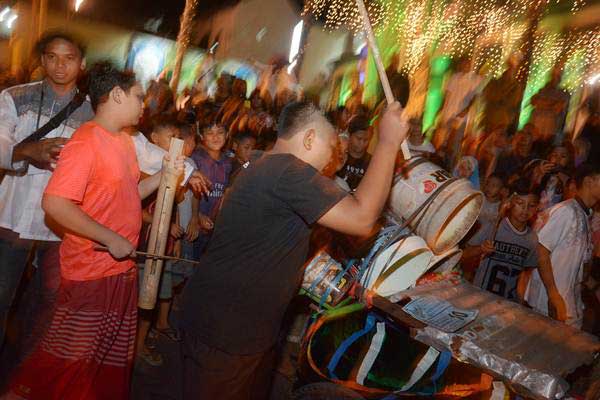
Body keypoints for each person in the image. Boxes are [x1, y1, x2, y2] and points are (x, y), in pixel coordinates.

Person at [179, 100, 407, 399]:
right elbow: (362, 218)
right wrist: (388, 142)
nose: (331, 158)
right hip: (227, 332)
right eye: (330, 146)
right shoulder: (288, 170)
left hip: (230, 326)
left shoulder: (261, 162)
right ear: (310, 138)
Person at [7, 62, 185, 399]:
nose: (142, 104)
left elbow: (128, 196)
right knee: (70, 363)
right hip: (91, 273)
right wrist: (110, 237)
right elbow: (55, 203)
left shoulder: (124, 142)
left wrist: (164, 178)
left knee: (101, 362)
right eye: (138, 97)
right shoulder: (85, 142)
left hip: (118, 271)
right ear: (117, 95)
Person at [524, 162, 600, 328]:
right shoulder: (566, 211)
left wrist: (594, 288)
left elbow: (575, 266)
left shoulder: (586, 216)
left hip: (569, 307)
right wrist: (553, 294)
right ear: (589, 181)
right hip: (549, 306)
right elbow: (541, 250)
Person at [463, 179, 539, 300]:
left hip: (508, 303)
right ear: (510, 202)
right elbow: (464, 255)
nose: (525, 209)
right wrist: (481, 249)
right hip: (480, 296)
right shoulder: (493, 226)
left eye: (531, 206)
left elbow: (526, 273)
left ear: (537, 208)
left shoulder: (532, 239)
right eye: (520, 203)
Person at [191, 124, 233, 258]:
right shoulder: (196, 159)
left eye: (220, 132)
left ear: (226, 135)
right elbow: (189, 193)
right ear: (202, 136)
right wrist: (197, 215)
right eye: (210, 133)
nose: (215, 137)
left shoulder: (228, 162)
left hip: (215, 226)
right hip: (195, 225)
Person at [336, 115, 371, 191]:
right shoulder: (340, 157)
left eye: (366, 140)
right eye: (359, 138)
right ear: (350, 135)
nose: (362, 143)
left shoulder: (371, 162)